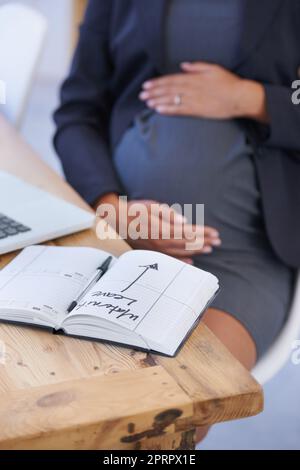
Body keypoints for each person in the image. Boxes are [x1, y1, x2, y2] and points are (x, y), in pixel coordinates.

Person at [54, 0, 300, 441]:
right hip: (118, 240)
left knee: (160, 419)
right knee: (59, 392)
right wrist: (114, 210)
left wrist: (253, 97)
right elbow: (77, 112)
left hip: (239, 251)